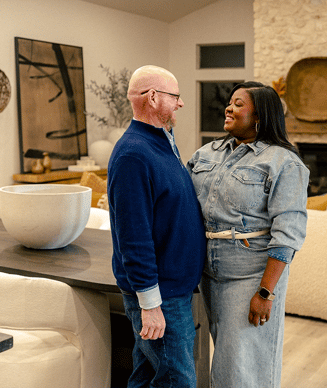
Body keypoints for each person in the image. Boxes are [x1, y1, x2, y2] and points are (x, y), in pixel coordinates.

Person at [187, 81, 309, 387]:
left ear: (259, 116)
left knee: (241, 368)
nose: (229, 107)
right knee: (218, 359)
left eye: (239, 104)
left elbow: (288, 234)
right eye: (230, 102)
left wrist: (265, 292)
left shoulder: (283, 162)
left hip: (249, 276)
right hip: (203, 271)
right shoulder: (206, 153)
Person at [108, 65, 206, 387]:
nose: (180, 103)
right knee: (178, 380)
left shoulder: (162, 142)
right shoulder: (134, 154)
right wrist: (150, 306)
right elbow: (133, 236)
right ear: (153, 97)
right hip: (160, 296)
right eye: (175, 96)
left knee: (147, 374)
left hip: (173, 288)